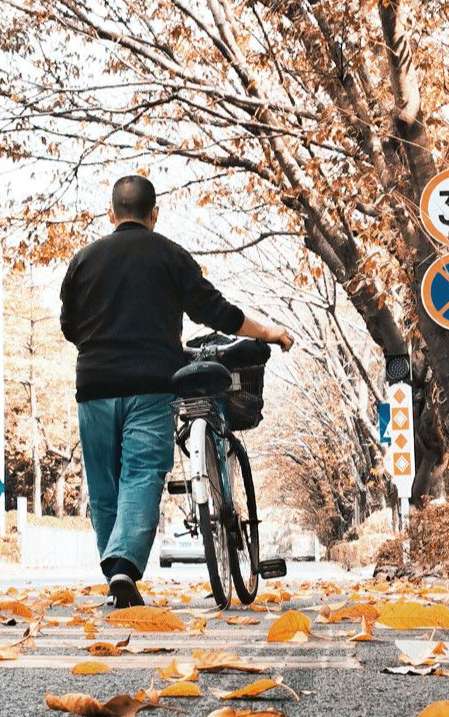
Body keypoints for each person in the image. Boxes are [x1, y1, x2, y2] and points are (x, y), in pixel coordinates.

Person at [59, 175, 294, 608]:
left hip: (93, 387)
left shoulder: (83, 260)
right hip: (151, 386)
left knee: (104, 483)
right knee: (142, 476)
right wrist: (270, 331)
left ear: (111, 214)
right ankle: (125, 568)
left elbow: (70, 327)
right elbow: (219, 312)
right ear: (154, 214)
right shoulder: (170, 256)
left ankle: (116, 572)